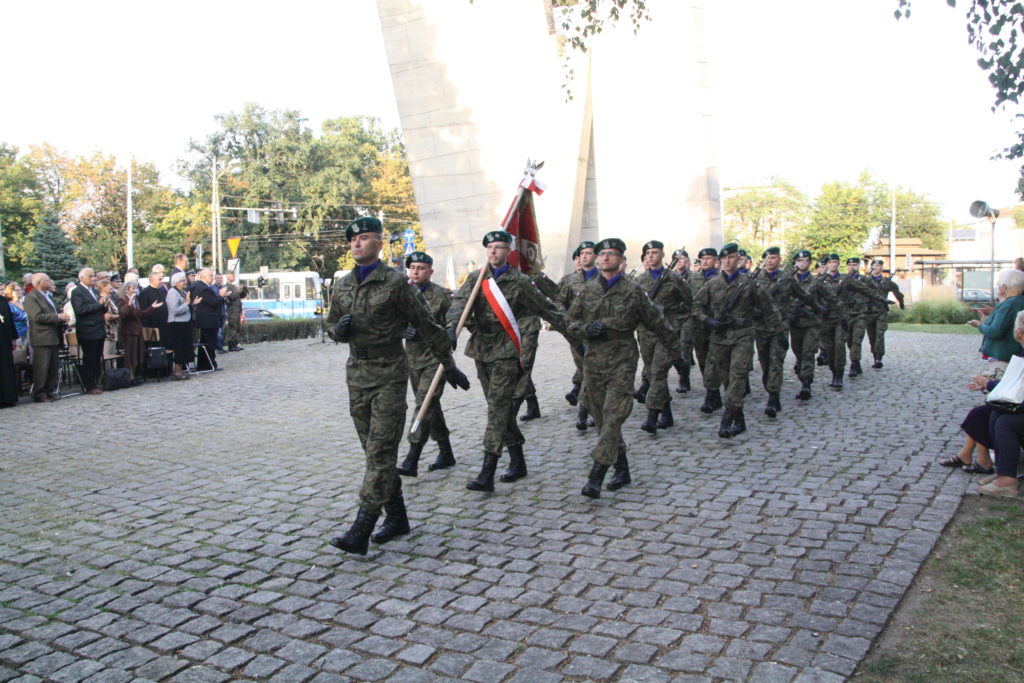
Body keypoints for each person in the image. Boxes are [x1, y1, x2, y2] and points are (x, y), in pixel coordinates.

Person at [326, 217, 469, 555]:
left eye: (364, 238)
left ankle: (362, 526)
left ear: (379, 241)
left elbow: (428, 326)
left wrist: (448, 366)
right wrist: (338, 330)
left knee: (380, 452)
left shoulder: (396, 284)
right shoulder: (343, 285)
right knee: (374, 452)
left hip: (389, 373)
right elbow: (330, 323)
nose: (357, 244)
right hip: (356, 375)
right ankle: (398, 517)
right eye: (353, 240)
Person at [447, 229, 567, 493]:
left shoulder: (520, 282)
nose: (494, 252)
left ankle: (487, 471)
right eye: (490, 248)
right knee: (498, 407)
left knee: (498, 409)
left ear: (509, 251)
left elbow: (547, 309)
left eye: (500, 247)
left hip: (506, 352)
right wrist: (451, 326)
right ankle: (518, 461)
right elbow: (459, 303)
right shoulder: (477, 278)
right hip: (481, 350)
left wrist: (576, 332)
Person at [564, 238, 675, 497]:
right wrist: (585, 329)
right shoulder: (587, 290)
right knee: (603, 419)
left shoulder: (634, 291)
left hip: (622, 359)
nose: (605, 258)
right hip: (593, 362)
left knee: (614, 415)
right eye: (602, 254)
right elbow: (569, 323)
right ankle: (622, 468)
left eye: (611, 254)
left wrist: (675, 350)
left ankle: (596, 474)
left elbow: (656, 322)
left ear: (622, 260)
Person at [694, 242, 781, 438]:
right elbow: (695, 307)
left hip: (742, 335)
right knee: (726, 379)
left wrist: (779, 331)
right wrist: (708, 321)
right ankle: (739, 417)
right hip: (719, 338)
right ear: (719, 261)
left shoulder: (749, 283)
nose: (727, 261)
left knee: (738, 376)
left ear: (738, 259)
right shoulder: (712, 284)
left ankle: (727, 418)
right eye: (723, 258)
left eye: (731, 257)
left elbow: (769, 307)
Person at [397, 251, 458, 476]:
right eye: (412, 267)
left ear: (430, 271)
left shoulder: (442, 296)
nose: (415, 271)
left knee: (423, 405)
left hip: (437, 360)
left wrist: (441, 332)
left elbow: (453, 324)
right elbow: (393, 322)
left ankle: (412, 458)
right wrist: (403, 330)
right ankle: (446, 451)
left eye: (421, 268)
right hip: (413, 360)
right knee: (431, 406)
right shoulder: (402, 295)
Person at [631, 240, 692, 433]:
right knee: (652, 372)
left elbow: (690, 303)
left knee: (658, 372)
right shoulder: (639, 281)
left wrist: (676, 322)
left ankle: (652, 415)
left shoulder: (674, 279)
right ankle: (667, 413)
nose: (651, 256)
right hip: (645, 334)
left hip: (666, 334)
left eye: (655, 252)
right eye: (648, 253)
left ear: (663, 255)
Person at [557, 241, 598, 430]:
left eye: (589, 253)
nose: (585, 256)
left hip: (599, 333)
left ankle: (585, 411)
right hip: (577, 334)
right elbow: (559, 302)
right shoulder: (569, 280)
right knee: (586, 370)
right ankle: (585, 411)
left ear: (595, 256)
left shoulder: (604, 277)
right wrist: (567, 321)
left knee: (591, 372)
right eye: (582, 253)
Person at [819, 253, 874, 390]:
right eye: (830, 262)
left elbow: (865, 289)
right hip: (826, 319)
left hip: (842, 318)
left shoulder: (845, 279)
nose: (832, 264)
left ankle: (838, 375)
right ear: (826, 265)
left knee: (839, 345)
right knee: (830, 348)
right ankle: (833, 371)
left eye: (835, 262)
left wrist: (881, 300)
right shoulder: (819, 280)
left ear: (838, 264)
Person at [787, 250, 836, 401]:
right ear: (795, 262)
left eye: (805, 260)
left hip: (812, 324)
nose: (802, 263)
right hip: (795, 324)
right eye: (799, 260)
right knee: (799, 353)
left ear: (809, 263)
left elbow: (832, 299)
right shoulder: (787, 281)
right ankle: (803, 376)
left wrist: (833, 316)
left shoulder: (817, 282)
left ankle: (806, 384)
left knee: (808, 353)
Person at [23, 273, 70, 402]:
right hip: (41, 337)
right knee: (42, 367)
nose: (50, 281)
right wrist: (57, 317)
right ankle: (39, 393)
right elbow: (36, 317)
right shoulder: (32, 297)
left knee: (52, 366)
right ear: (39, 282)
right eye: (47, 280)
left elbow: (53, 313)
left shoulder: (48, 296)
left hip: (53, 336)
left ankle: (50, 390)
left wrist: (61, 317)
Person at [967, 268, 1024, 366]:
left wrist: (980, 325)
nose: (997, 286)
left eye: (999, 284)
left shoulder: (1009, 304)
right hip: (1016, 354)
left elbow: (996, 331)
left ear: (1005, 287)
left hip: (1004, 356)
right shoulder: (1019, 301)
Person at [862, 259, 905, 368]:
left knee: (880, 334)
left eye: (879, 265)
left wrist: (901, 303)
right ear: (871, 267)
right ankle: (875, 355)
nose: (877, 267)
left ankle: (878, 358)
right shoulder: (865, 281)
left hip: (881, 311)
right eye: (875, 265)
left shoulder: (887, 282)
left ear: (881, 268)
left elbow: (897, 292)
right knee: (872, 336)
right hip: (868, 311)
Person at [70, 268, 107, 395]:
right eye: (90, 276)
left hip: (99, 329)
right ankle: (89, 385)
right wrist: (99, 304)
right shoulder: (77, 292)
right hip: (88, 331)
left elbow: (100, 308)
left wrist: (104, 305)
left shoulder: (95, 291)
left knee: (97, 357)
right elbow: (81, 310)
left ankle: (96, 382)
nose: (93, 278)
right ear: (82, 278)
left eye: (94, 276)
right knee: (89, 358)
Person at [691, 247, 720, 379]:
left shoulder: (721, 277)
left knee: (719, 357)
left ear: (716, 260)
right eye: (702, 259)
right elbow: (689, 301)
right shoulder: (693, 278)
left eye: (708, 258)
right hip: (699, 324)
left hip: (718, 323)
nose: (705, 261)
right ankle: (709, 386)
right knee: (702, 357)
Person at [191, 269, 226, 371]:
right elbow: (213, 302)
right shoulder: (204, 288)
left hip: (206, 321)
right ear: (204, 277)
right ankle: (210, 364)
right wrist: (221, 295)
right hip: (208, 321)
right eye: (211, 275)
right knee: (210, 344)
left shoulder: (201, 287)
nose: (212, 277)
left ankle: (204, 365)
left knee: (205, 344)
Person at [672, 248, 695, 393]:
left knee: (685, 346)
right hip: (673, 318)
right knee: (673, 349)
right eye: (677, 259)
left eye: (682, 259)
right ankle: (682, 370)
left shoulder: (694, 277)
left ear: (687, 261)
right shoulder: (668, 277)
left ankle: (683, 379)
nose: (680, 262)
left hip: (688, 317)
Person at [164, 272, 193, 380]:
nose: (185, 282)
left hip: (184, 323)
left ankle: (180, 370)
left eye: (185, 280)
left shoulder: (182, 292)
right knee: (178, 348)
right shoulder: (172, 293)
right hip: (176, 324)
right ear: (175, 282)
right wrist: (186, 303)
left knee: (183, 348)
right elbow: (174, 311)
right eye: (182, 280)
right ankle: (176, 371)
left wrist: (191, 303)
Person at [117, 281, 145, 381]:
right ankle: (128, 376)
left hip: (137, 329)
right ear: (127, 289)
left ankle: (133, 374)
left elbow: (139, 313)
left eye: (136, 288)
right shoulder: (122, 299)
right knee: (130, 354)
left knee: (137, 354)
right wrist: (129, 303)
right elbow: (123, 314)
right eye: (132, 288)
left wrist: (151, 308)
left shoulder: (136, 299)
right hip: (128, 330)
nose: (135, 290)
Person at [0, 290, 20, 407]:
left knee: (6, 368)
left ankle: (8, 397)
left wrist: (13, 337)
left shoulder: (2, 300)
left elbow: (10, 319)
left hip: (5, 340)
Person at [138, 270, 168, 344]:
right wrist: (149, 329)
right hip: (152, 327)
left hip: (164, 326)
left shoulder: (162, 291)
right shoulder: (145, 293)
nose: (162, 281)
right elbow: (143, 311)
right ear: (152, 280)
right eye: (159, 279)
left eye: (162, 279)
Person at [222, 272, 247, 352]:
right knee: (233, 327)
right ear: (228, 276)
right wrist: (238, 291)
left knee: (237, 327)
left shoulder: (233, 286)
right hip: (232, 310)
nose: (234, 277)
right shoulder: (227, 287)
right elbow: (231, 297)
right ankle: (231, 344)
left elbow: (239, 296)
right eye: (233, 275)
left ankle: (235, 343)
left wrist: (243, 290)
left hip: (237, 310)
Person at [96, 277, 120, 359]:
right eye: (108, 286)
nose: (111, 287)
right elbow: (107, 317)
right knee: (107, 357)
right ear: (102, 288)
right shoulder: (103, 299)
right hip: (107, 333)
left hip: (112, 332)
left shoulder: (109, 298)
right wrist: (120, 315)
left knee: (112, 357)